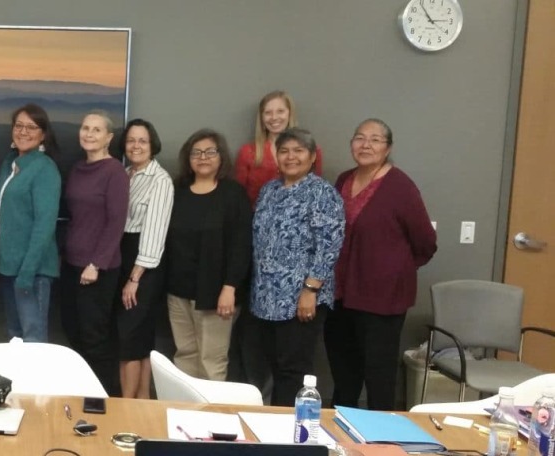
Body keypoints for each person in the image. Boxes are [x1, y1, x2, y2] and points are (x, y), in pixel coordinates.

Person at [326, 119, 437, 410]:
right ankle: (339, 440)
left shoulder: (400, 186)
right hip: (341, 294)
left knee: (378, 376)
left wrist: (393, 268)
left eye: (375, 140)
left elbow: (425, 241)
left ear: (387, 148)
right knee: (344, 374)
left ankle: (379, 443)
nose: (366, 145)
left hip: (382, 298)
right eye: (360, 137)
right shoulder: (344, 180)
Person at [250, 127, 344, 406]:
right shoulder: (269, 190)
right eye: (284, 151)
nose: (290, 157)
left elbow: (329, 245)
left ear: (312, 156)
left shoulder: (322, 193)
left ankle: (289, 440)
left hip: (301, 299)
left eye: (298, 151)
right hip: (267, 299)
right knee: (275, 369)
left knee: (293, 371)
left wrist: (310, 289)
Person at [165, 129, 252, 382]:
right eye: (196, 152)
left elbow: (241, 245)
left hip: (216, 294)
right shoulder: (177, 190)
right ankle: (186, 416)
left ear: (221, 157)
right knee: (184, 356)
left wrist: (230, 287)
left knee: (211, 362)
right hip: (178, 292)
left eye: (210, 152)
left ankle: (211, 419)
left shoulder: (232, 194)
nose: (203, 157)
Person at [60, 110, 129, 397]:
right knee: (73, 334)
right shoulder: (77, 169)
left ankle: (105, 401)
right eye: (85, 128)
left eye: (96, 130)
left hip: (98, 270)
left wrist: (96, 264)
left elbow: (116, 222)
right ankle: (81, 396)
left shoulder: (114, 172)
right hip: (72, 265)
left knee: (95, 341)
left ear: (109, 138)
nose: (89, 134)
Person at [0, 103, 62, 343]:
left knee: (33, 340)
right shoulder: (11, 163)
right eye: (19, 125)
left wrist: (27, 272)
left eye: (31, 127)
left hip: (32, 273)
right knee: (15, 338)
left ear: (43, 134)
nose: (23, 131)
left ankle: (36, 383)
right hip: (8, 269)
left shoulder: (45, 168)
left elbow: (45, 224)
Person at [116, 119, 173, 399]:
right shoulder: (125, 173)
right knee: (138, 340)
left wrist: (134, 278)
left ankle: (127, 406)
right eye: (131, 140)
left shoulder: (160, 180)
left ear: (152, 146)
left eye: (142, 141)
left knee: (130, 339)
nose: (135, 146)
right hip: (124, 258)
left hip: (144, 266)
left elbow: (154, 233)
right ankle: (141, 403)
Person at [235, 90, 324, 204]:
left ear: (289, 113)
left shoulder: (311, 150)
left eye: (280, 111)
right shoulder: (248, 152)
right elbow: (238, 196)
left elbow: (317, 189)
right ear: (261, 117)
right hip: (257, 218)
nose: (274, 117)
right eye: (268, 113)